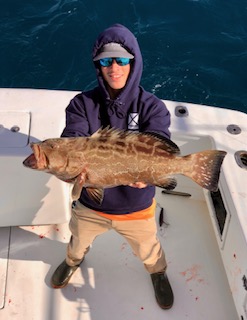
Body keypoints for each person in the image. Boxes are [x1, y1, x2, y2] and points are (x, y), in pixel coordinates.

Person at [51, 23, 174, 309]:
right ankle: (73, 261)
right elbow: (73, 139)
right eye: (106, 61)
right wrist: (64, 162)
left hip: (136, 206)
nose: (114, 67)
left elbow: (160, 142)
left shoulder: (152, 107)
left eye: (122, 60)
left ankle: (158, 273)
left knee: (149, 249)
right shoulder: (82, 104)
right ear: (98, 66)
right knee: (78, 240)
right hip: (90, 206)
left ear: (134, 61)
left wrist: (149, 176)